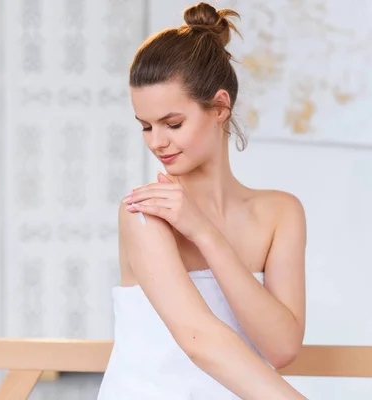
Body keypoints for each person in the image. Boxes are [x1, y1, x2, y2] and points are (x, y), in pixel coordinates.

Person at [96, 2, 307, 399]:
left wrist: (206, 234)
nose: (157, 142)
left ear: (220, 107)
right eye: (145, 126)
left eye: (173, 124)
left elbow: (281, 349)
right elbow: (200, 339)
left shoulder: (281, 214)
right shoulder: (145, 213)